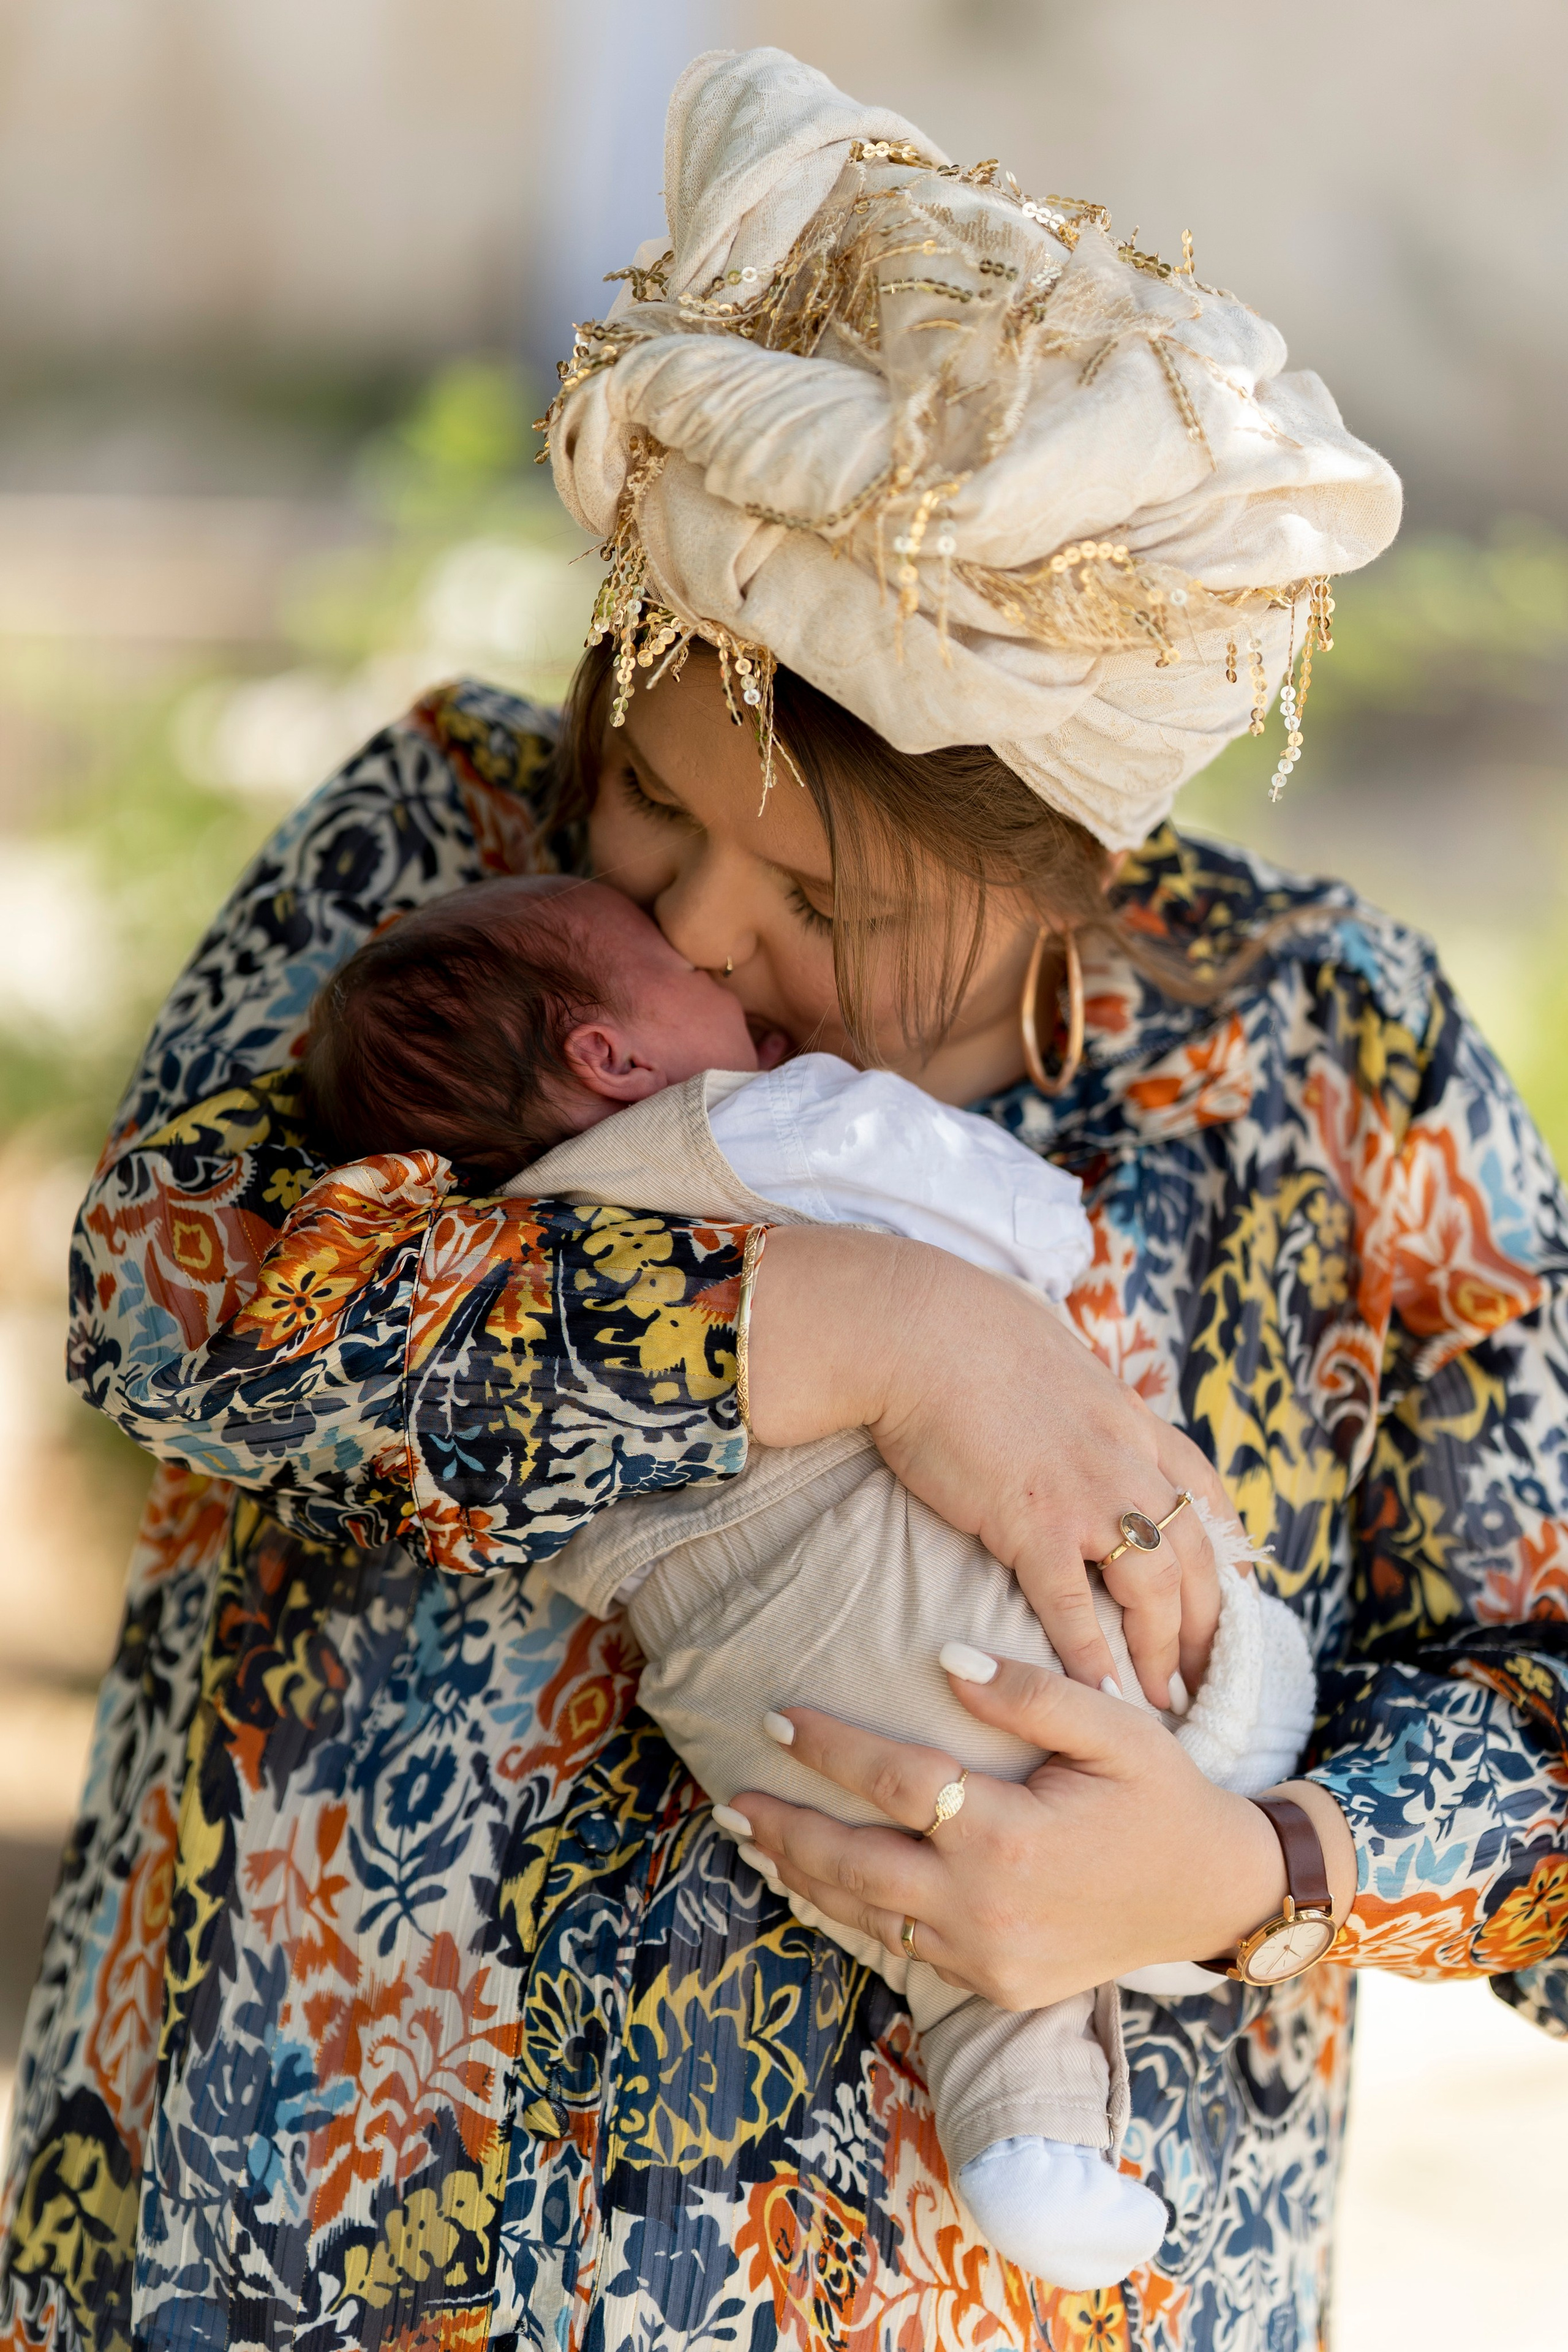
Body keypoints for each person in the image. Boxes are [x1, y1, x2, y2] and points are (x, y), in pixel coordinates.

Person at [2, 44, 1564, 2352]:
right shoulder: (450, 838)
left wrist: (1253, 1871)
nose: (697, 926)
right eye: (651, 799)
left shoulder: (1333, 1065)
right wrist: (873, 1329)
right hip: (284, 2278)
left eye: (818, 891)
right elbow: (176, 1301)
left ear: (1068, 870)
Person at [296, 870, 1317, 2284]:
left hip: (754, 1711)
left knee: (951, 1939)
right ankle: (1060, 2099)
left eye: (788, 879)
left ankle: (1032, 2141)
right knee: (1183, 1651)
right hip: (929, 1635)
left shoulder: (495, 1252)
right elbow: (945, 1178)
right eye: (673, 953)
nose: (711, 943)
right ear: (607, 1056)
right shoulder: (740, 1124)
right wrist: (1001, 1282)